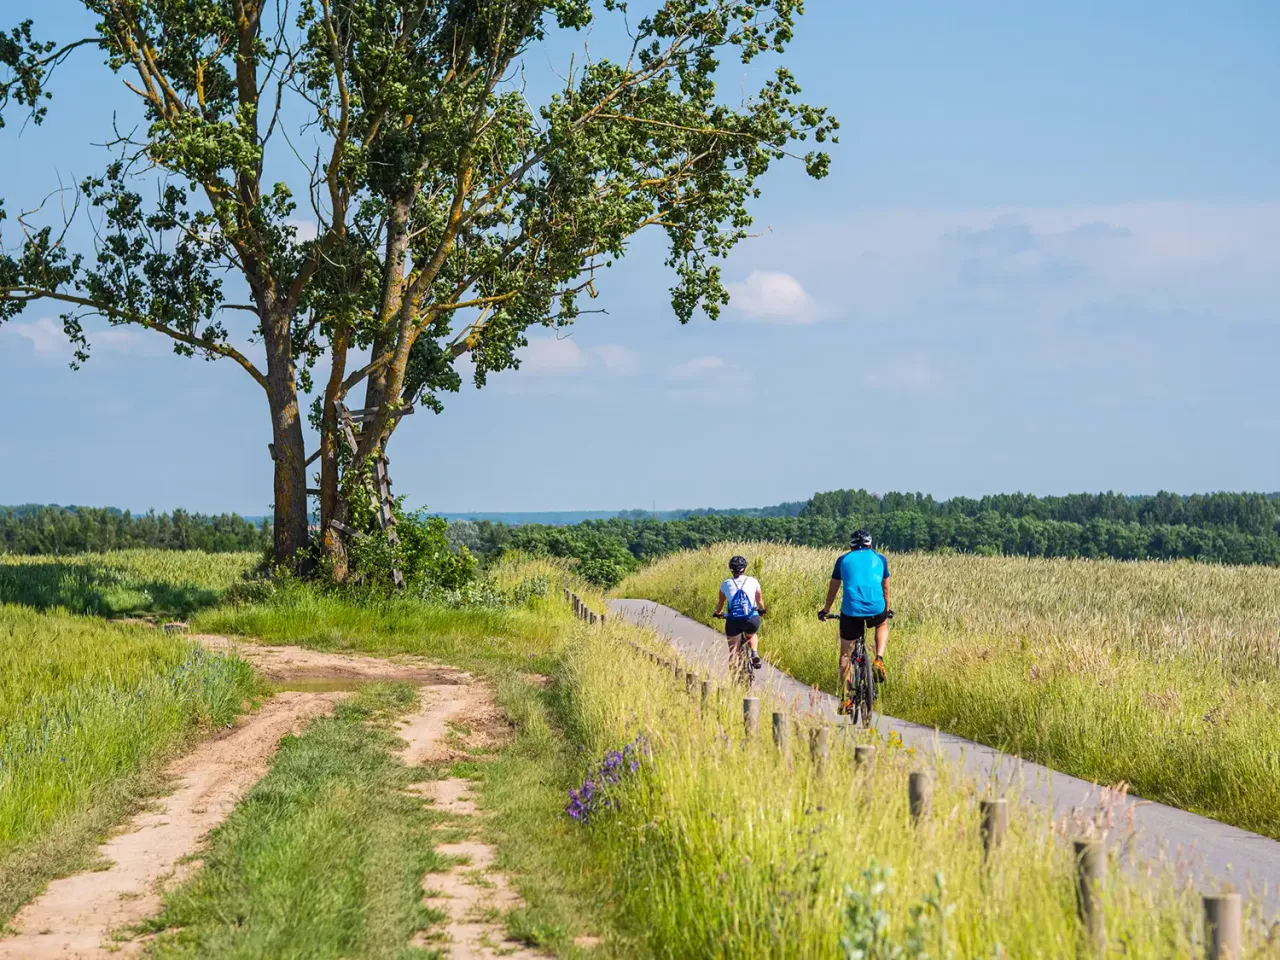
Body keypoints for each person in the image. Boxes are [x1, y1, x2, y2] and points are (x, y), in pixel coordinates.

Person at [818, 529, 892, 713]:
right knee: (882, 624)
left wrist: (826, 610)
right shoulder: (880, 558)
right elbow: (885, 586)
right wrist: (887, 608)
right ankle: (879, 659)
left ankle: (847, 698)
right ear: (870, 544)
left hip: (851, 610)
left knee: (845, 656)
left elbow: (833, 588)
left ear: (850, 546)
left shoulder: (843, 560)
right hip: (877, 606)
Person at [713, 555, 765, 671]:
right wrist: (762, 610)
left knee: (733, 652)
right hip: (751, 618)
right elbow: (759, 601)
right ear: (744, 569)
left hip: (733, 620)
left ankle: (734, 677)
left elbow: (720, 603)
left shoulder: (725, 584)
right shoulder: (753, 581)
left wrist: (718, 613)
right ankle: (754, 653)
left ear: (731, 569)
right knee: (751, 634)